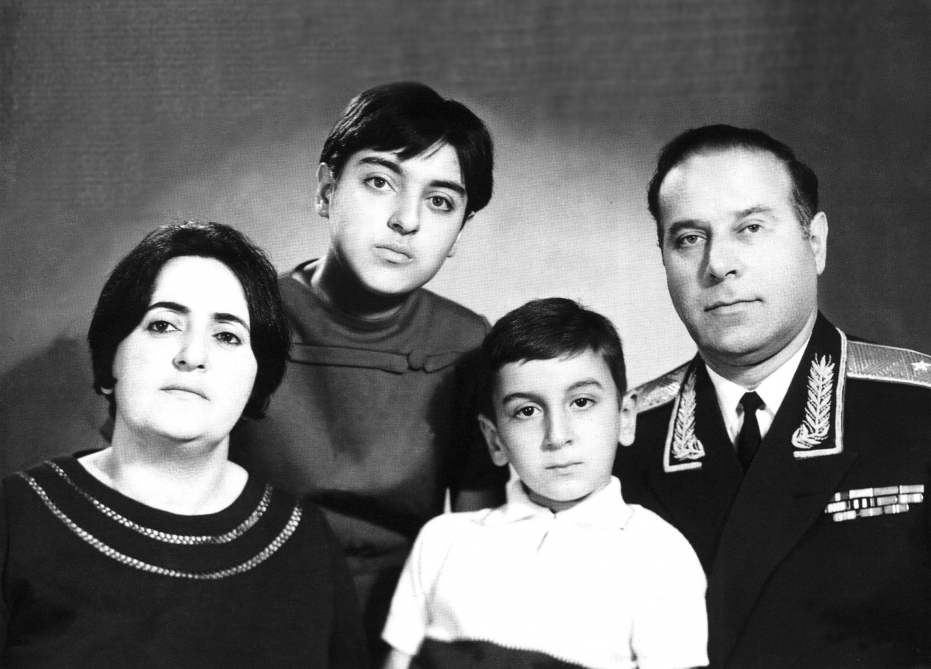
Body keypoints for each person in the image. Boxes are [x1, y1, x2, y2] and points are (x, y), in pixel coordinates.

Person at [615, 124, 931, 668]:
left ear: (816, 243)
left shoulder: (917, 411)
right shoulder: (620, 440)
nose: (718, 264)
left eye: (751, 228)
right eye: (688, 238)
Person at [0, 221, 368, 667]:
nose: (192, 356)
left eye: (227, 336)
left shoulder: (305, 542)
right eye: (162, 325)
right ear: (111, 355)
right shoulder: (15, 517)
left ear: (257, 379)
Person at [230, 81, 507, 661]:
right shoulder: (241, 316)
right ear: (326, 189)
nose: (406, 220)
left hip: (397, 631)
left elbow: (476, 546)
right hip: (245, 614)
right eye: (380, 182)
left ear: (460, 232)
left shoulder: (467, 343)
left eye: (440, 201)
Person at [382, 298, 708, 669]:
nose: (557, 435)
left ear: (626, 417)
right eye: (527, 411)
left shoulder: (659, 555)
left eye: (581, 402)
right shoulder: (442, 542)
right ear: (494, 440)